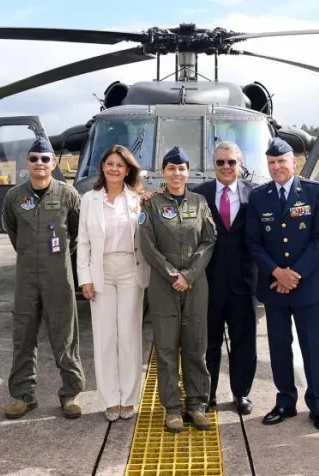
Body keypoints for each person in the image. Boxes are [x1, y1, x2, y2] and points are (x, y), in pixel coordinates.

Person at [246, 137, 319, 432]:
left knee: (312, 348)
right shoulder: (259, 197)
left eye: (281, 161)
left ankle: (318, 405)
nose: (276, 167)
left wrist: (293, 274)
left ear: (293, 161)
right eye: (271, 163)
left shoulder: (314, 192)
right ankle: (285, 402)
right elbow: (253, 242)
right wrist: (276, 273)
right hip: (274, 288)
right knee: (279, 347)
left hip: (307, 286)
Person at [1, 137, 86, 420]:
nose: (40, 163)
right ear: (27, 163)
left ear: (54, 163)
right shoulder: (14, 197)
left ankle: (70, 393)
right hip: (26, 276)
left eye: (45, 159)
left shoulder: (68, 194)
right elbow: (13, 232)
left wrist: (58, 256)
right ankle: (24, 396)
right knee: (23, 336)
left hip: (58, 276)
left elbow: (75, 232)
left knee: (65, 336)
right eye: (35, 158)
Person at [138, 146, 217, 433]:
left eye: (181, 168)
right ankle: (172, 408)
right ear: (163, 172)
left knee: (196, 346)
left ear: (188, 171)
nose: (176, 173)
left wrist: (190, 274)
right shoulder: (151, 205)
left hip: (196, 286)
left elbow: (209, 239)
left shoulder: (200, 202)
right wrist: (173, 274)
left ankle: (196, 405)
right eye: (171, 168)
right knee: (168, 349)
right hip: (164, 286)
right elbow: (147, 244)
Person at [77, 144, 150, 422]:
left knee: (129, 336)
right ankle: (110, 400)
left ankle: (129, 399)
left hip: (131, 269)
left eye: (120, 165)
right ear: (103, 167)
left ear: (128, 169)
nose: (114, 169)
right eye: (110, 164)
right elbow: (82, 241)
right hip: (101, 270)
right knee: (105, 337)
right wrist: (85, 278)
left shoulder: (139, 198)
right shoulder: (90, 200)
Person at [191, 140, 257, 415]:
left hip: (244, 282)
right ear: (213, 165)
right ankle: (208, 393)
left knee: (244, 342)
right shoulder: (199, 194)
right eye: (221, 162)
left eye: (232, 162)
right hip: (209, 281)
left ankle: (241, 393)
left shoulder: (254, 195)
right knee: (209, 342)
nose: (226, 167)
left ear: (240, 165)